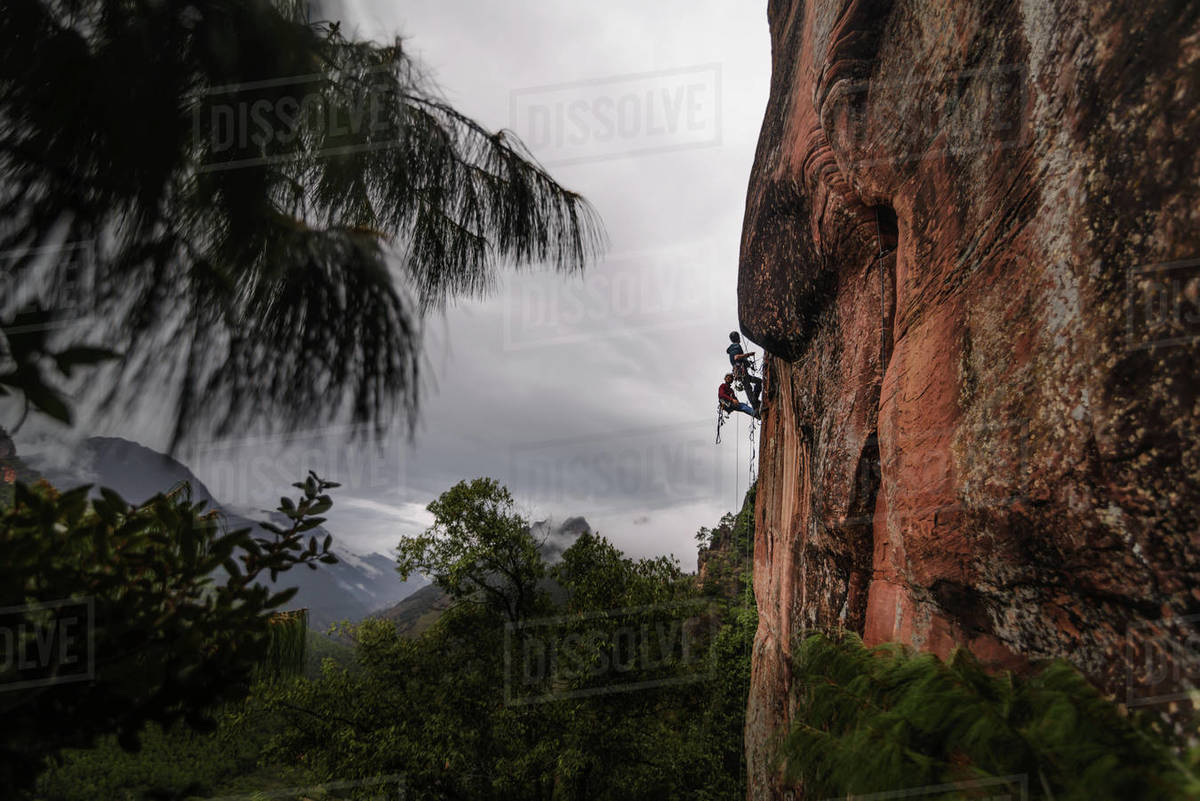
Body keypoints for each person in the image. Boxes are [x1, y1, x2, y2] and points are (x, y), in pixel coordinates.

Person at [726, 331, 763, 410]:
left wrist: (748, 363)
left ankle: (755, 401)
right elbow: (736, 357)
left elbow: (737, 359)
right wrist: (749, 354)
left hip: (740, 371)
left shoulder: (732, 348)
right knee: (748, 388)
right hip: (740, 371)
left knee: (758, 381)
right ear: (737, 337)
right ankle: (755, 406)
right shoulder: (736, 346)